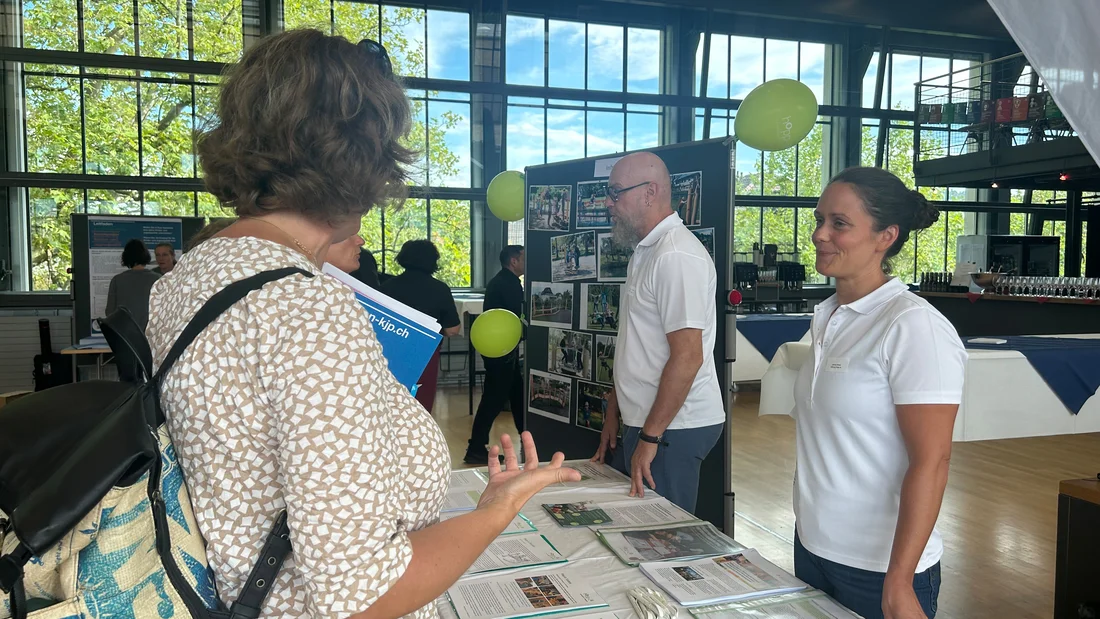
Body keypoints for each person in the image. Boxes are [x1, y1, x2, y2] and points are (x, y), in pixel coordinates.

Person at [145, 29, 578, 619]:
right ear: (362, 159)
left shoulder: (194, 272)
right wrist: (495, 511)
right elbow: (366, 596)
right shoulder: (306, 309)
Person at [790, 167, 966, 619]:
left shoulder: (912, 326)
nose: (819, 235)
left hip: (879, 568)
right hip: (811, 548)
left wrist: (900, 579)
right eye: (819, 219)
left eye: (839, 224)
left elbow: (933, 461)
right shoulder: (827, 316)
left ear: (886, 236)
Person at [590, 151, 724, 514]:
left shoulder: (676, 255)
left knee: (660, 537)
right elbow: (637, 344)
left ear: (650, 192)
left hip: (672, 428)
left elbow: (688, 356)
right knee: (636, 526)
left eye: (615, 192)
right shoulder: (646, 251)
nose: (608, 203)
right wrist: (615, 413)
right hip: (649, 422)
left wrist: (650, 436)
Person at [380, 239, 462, 413]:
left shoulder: (386, 287)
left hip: (390, 354)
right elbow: (452, 329)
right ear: (433, 261)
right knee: (421, 407)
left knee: (392, 405)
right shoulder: (440, 289)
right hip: (426, 355)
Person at [465, 245, 526, 465]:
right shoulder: (508, 284)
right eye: (523, 258)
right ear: (513, 261)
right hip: (502, 350)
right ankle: (475, 448)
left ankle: (527, 439)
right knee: (493, 400)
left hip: (502, 348)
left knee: (517, 395)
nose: (527, 262)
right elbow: (517, 317)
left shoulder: (502, 281)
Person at [105, 238, 161, 333]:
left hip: (125, 334)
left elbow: (110, 312)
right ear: (146, 255)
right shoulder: (158, 279)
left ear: (126, 257)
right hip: (151, 334)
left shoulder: (117, 280)